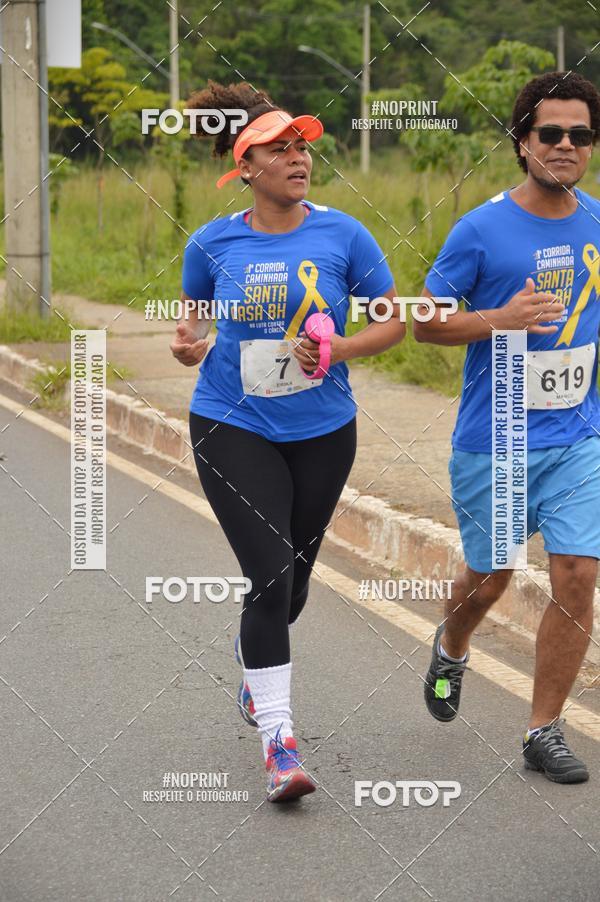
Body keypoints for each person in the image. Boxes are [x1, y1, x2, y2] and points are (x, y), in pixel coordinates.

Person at [170, 81, 405, 802]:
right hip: (231, 423)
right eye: (280, 147)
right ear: (246, 166)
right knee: (269, 575)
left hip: (325, 431)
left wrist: (340, 352)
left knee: (294, 580)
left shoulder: (344, 235)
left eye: (303, 145)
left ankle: (252, 653)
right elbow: (191, 329)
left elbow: (394, 321)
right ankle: (280, 742)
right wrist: (186, 345)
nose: (298, 156)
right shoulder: (211, 242)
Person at [415, 71, 600, 784]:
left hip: (578, 439)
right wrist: (498, 319)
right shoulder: (482, 228)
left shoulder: (595, 224)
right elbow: (423, 322)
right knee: (490, 579)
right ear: (521, 142)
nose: (564, 146)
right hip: (495, 442)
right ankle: (453, 643)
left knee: (579, 574)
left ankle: (542, 731)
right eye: (549, 133)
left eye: (579, 135)